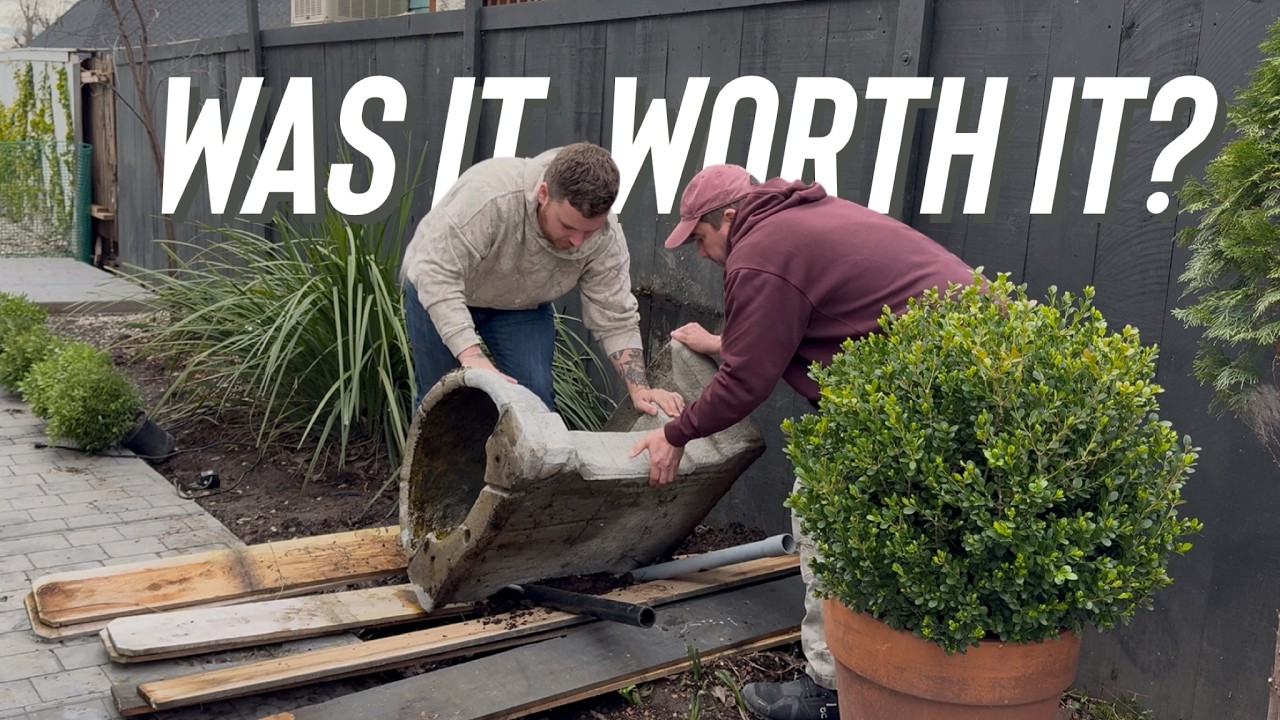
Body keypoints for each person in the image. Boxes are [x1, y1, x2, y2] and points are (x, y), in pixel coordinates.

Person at [629, 164, 978, 720]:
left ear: (728, 216)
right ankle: (915, 687)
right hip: (973, 374)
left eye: (700, 236)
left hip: (928, 392)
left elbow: (746, 383)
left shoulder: (759, 254)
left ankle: (830, 690)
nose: (700, 252)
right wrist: (724, 342)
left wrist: (676, 433)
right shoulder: (796, 221)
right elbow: (810, 314)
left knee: (820, 511)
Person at [400, 142, 683, 419]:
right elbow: (436, 274)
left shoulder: (606, 237)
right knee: (441, 403)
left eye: (589, 231)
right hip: (440, 291)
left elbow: (615, 316)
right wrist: (472, 357)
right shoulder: (489, 196)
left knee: (536, 407)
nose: (577, 242)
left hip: (520, 306)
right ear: (544, 194)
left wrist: (639, 388)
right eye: (568, 226)